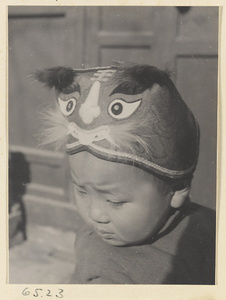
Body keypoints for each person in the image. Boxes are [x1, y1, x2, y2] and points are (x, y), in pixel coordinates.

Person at [35, 63, 215, 284]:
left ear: (176, 189)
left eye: (115, 201)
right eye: (82, 191)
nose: (95, 215)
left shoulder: (211, 233)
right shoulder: (98, 256)